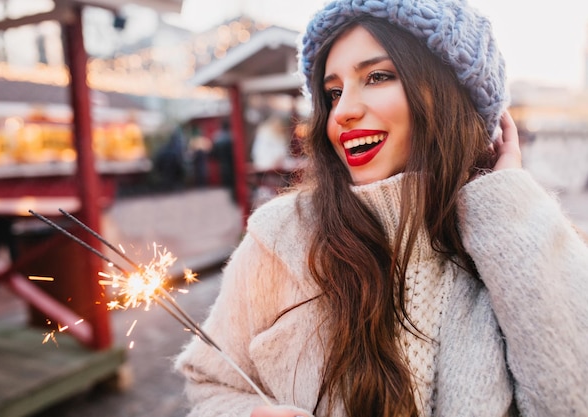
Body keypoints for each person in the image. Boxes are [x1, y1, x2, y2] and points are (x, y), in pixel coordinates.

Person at [175, 0, 588, 416]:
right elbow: (210, 383)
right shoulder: (281, 237)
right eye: (333, 93)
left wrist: (508, 205)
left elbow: (570, 397)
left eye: (377, 76)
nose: (344, 112)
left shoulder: (517, 237)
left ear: (448, 92)